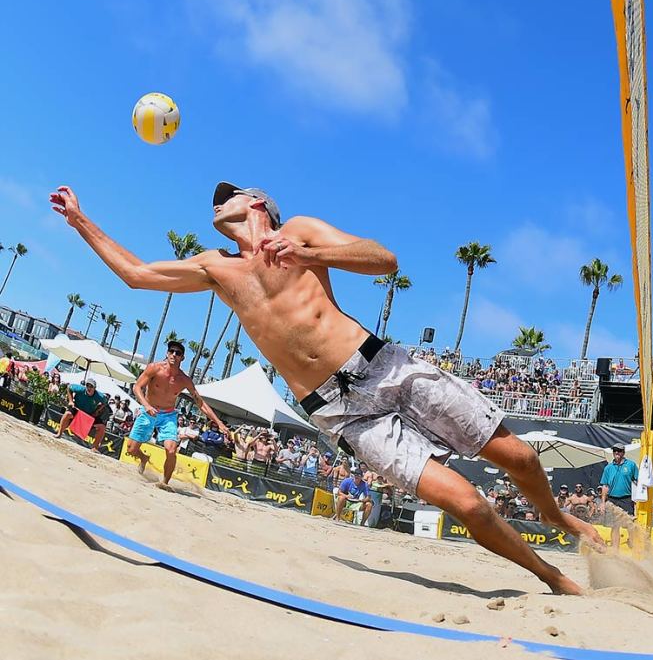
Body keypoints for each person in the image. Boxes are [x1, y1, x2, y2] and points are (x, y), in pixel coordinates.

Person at [51, 183, 597, 595]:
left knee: (520, 457)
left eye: (229, 196)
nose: (217, 204)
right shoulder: (217, 267)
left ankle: (555, 516)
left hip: (385, 367)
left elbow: (384, 260)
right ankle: (552, 577)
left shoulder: (302, 232)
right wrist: (80, 221)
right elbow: (136, 274)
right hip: (339, 412)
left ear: (258, 202)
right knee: (471, 506)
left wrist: (311, 257)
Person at [128, 340, 231, 489]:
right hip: (148, 410)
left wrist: (220, 424)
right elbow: (137, 387)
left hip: (168, 415)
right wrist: (146, 405)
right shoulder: (154, 368)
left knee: (171, 449)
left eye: (178, 353)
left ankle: (164, 482)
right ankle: (144, 458)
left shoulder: (184, 380)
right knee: (131, 449)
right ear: (167, 353)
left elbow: (200, 403)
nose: (174, 355)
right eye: (171, 351)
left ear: (182, 358)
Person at [56, 379, 111, 451]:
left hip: (89, 415)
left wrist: (98, 410)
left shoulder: (100, 396)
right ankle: (59, 433)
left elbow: (105, 402)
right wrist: (70, 401)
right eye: (88, 385)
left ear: (94, 388)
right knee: (67, 414)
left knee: (102, 427)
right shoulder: (80, 389)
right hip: (77, 410)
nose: (89, 388)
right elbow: (69, 387)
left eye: (91, 386)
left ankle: (95, 447)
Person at [599, 444, 638, 516]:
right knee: (611, 524)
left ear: (623, 452)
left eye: (619, 451)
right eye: (614, 450)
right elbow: (605, 486)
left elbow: (638, 482)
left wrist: (637, 501)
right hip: (612, 500)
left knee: (628, 523)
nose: (616, 452)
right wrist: (603, 503)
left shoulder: (631, 465)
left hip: (626, 499)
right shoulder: (608, 467)